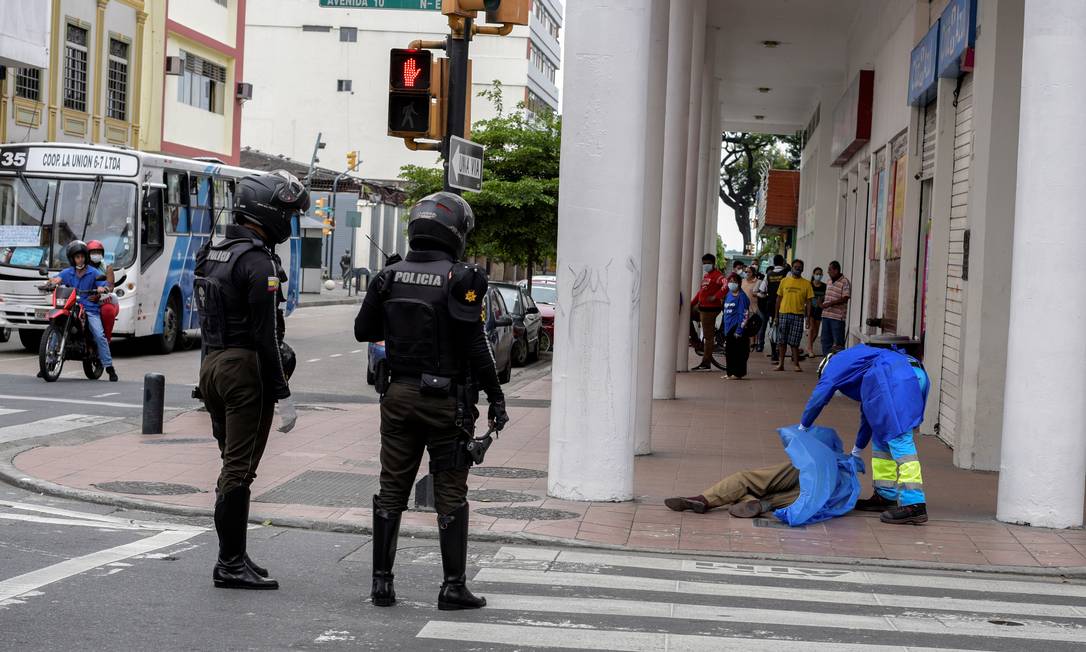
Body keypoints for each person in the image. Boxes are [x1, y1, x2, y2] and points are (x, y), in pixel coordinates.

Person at [354, 191, 509, 611]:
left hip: (399, 396)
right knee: (450, 493)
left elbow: (363, 330)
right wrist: (496, 397)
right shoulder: (463, 278)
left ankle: (382, 584)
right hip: (446, 402)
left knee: (391, 490)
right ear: (455, 231)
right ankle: (452, 587)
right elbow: (475, 344)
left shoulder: (388, 277)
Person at [194, 170, 308, 590]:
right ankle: (228, 563)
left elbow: (208, 319)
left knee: (232, 464)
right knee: (238, 470)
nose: (289, 222)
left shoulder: (215, 250)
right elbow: (266, 336)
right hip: (244, 372)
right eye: (287, 214)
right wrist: (284, 394)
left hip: (213, 365)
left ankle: (236, 554)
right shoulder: (259, 261)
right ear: (268, 211)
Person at [802, 345, 931, 525]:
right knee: (882, 436)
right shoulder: (859, 362)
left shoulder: (834, 365)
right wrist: (856, 450)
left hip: (896, 378)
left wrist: (803, 426)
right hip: (909, 372)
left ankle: (914, 504)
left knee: (900, 438)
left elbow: (820, 396)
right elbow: (868, 417)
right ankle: (886, 495)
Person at [48, 240, 117, 382]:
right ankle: (48, 362)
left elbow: (104, 284)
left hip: (90, 309)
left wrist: (102, 288)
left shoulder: (94, 272)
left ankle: (109, 367)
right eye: (76, 257)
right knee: (55, 326)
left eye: (82, 256)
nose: (80, 259)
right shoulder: (68, 272)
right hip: (70, 306)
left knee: (99, 334)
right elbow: (58, 278)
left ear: (86, 257)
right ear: (72, 259)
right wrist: (50, 282)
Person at [666, 462, 800, 518]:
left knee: (745, 481)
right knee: (749, 483)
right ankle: (755, 504)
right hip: (806, 486)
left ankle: (704, 500)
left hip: (810, 483)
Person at [774, 258, 813, 372]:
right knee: (782, 341)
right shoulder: (784, 281)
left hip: (798, 315)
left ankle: (796, 364)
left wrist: (808, 318)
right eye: (795, 267)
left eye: (800, 268)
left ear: (802, 269)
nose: (797, 269)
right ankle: (781, 364)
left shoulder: (806, 284)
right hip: (783, 314)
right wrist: (776, 316)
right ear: (792, 268)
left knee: (795, 342)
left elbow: (809, 302)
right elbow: (778, 299)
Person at [690, 253, 726, 371]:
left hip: (710, 310)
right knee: (686, 315)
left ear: (713, 263)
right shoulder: (706, 276)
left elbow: (726, 285)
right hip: (701, 307)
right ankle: (696, 342)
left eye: (707, 263)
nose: (705, 265)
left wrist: (716, 296)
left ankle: (706, 362)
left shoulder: (718, 276)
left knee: (708, 336)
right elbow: (700, 292)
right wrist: (691, 304)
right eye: (704, 263)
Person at [757, 255, 790, 360]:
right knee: (784, 330)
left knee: (773, 328)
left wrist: (768, 296)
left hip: (771, 307)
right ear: (783, 262)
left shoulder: (769, 275)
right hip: (785, 305)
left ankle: (773, 353)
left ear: (774, 263)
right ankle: (780, 353)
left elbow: (761, 291)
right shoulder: (787, 274)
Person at [86, 240, 118, 342]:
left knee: (107, 311)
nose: (96, 255)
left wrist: (104, 290)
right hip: (84, 299)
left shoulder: (107, 267)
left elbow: (110, 285)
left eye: (98, 252)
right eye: (93, 252)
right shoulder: (82, 267)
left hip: (103, 300)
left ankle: (106, 340)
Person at [721, 274, 749, 379]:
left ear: (739, 283)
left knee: (737, 352)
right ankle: (729, 372)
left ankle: (737, 373)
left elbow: (744, 314)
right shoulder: (729, 294)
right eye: (730, 281)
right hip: (728, 327)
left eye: (734, 281)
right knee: (729, 352)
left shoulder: (741, 296)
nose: (731, 283)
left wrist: (739, 330)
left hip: (736, 327)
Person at [820, 261, 851, 354]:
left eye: (830, 270)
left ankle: (838, 364)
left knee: (838, 343)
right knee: (825, 341)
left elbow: (845, 298)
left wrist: (830, 304)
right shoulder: (829, 281)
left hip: (837, 318)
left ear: (836, 270)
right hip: (826, 316)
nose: (828, 272)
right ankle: (826, 362)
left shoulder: (845, 281)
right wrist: (821, 301)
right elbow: (827, 295)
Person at [807, 267, 826, 357]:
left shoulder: (824, 286)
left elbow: (825, 297)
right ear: (813, 274)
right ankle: (810, 349)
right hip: (810, 309)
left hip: (819, 309)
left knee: (816, 331)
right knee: (811, 328)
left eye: (820, 274)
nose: (818, 275)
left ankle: (809, 345)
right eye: (817, 274)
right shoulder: (809, 285)